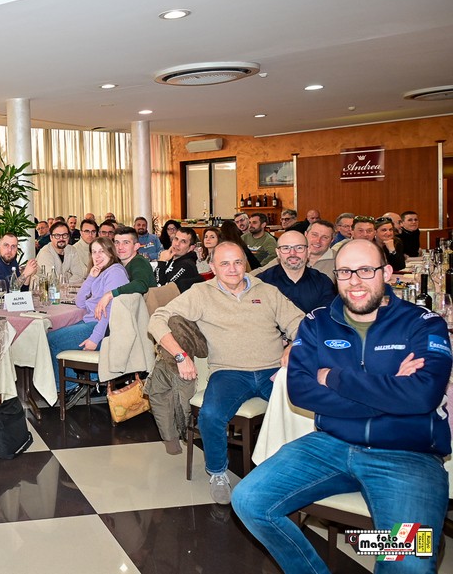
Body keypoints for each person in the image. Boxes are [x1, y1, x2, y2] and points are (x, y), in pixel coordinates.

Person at [232, 240, 451, 574]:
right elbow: (301, 391)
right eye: (345, 272)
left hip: (407, 454)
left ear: (386, 273)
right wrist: (393, 390)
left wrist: (333, 377)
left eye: (366, 270)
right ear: (335, 277)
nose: (355, 281)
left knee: (408, 560)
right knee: (248, 500)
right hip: (330, 444)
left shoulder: (423, 323)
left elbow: (423, 397)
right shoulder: (317, 322)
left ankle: (386, 548)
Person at [148, 242, 303, 504]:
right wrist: (180, 355)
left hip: (274, 370)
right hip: (230, 373)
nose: (232, 269)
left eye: (238, 262)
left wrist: (293, 346)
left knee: (309, 406)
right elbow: (157, 319)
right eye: (225, 263)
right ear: (213, 267)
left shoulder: (267, 291)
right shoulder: (201, 293)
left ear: (245, 263)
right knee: (210, 415)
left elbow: (300, 322)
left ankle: (299, 471)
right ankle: (218, 473)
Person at [48, 237, 129, 396]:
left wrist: (95, 339)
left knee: (51, 340)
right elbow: (80, 302)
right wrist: (91, 277)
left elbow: (110, 312)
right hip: (93, 323)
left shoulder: (115, 272)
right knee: (53, 333)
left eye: (101, 251)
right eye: (94, 252)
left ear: (110, 252)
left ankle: (69, 387)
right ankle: (81, 382)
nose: (97, 256)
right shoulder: (101, 272)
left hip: (103, 330)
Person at [253, 231, 335, 314]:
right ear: (278, 252)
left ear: (308, 251)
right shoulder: (262, 282)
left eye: (299, 248)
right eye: (286, 248)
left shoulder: (323, 282)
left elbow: (327, 316)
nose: (292, 253)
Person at [93, 226, 159, 320]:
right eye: (117, 242)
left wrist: (110, 294)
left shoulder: (139, 262)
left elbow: (140, 285)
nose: (120, 247)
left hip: (140, 318)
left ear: (136, 246)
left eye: (126, 242)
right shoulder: (119, 264)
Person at [0, 233, 39, 301]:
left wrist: (28, 275)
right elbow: (8, 293)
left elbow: (20, 291)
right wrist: (25, 274)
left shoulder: (12, 261)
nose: (9, 250)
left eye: (13, 246)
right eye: (6, 245)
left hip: (5, 304)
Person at [154, 228, 204, 293]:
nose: (177, 244)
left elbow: (161, 289)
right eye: (176, 239)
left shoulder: (187, 265)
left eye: (183, 241)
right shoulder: (170, 258)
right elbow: (152, 280)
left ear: (191, 248)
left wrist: (161, 262)